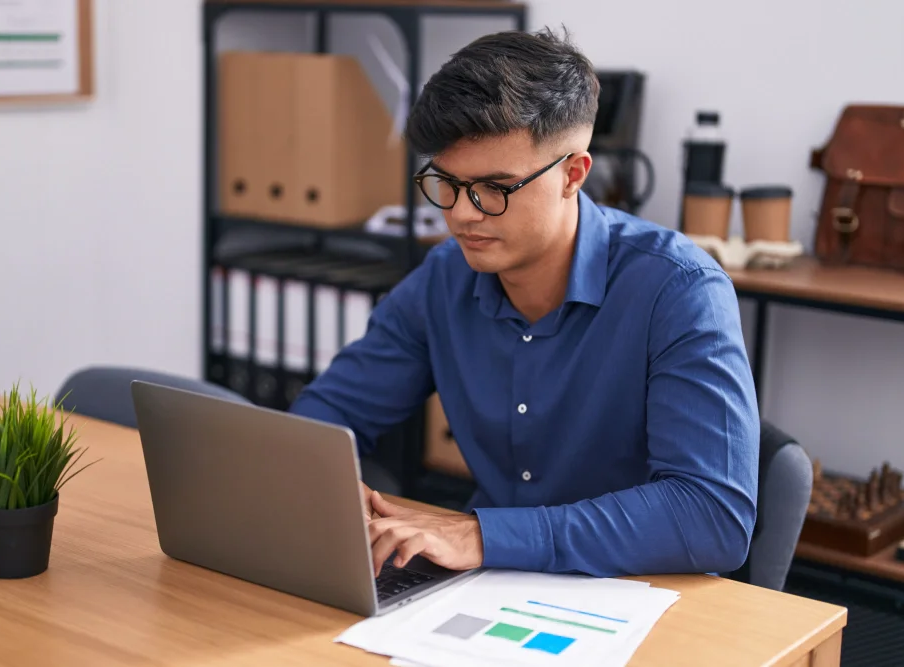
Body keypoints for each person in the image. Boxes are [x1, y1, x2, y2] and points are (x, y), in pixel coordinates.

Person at [288, 27, 759, 579]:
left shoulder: (678, 290)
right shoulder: (445, 277)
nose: (463, 214)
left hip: (637, 595)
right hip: (488, 586)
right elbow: (327, 418)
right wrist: (334, 492)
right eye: (447, 183)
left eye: (495, 187)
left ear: (572, 175)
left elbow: (713, 517)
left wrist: (486, 536)